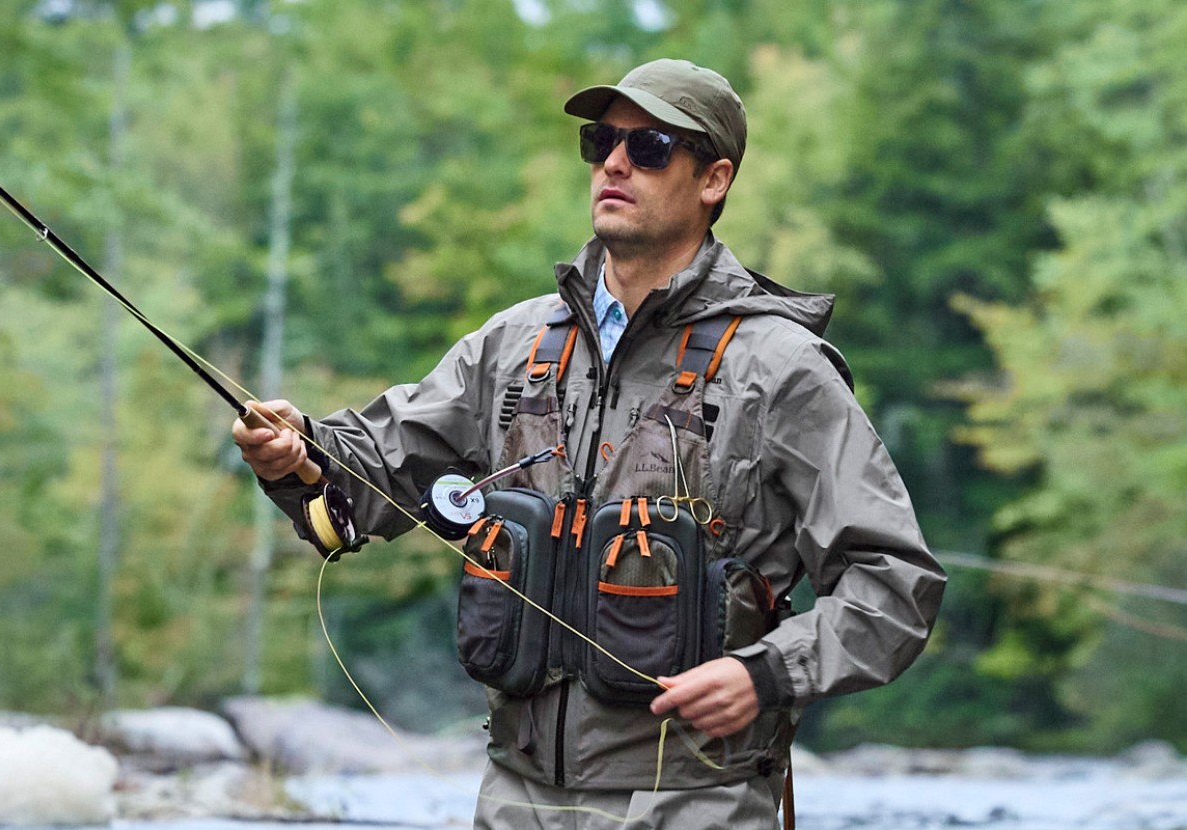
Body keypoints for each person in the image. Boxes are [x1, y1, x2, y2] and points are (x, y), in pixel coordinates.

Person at [232, 58, 945, 829]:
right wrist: (300, 451)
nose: (614, 161)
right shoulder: (514, 344)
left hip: (697, 801)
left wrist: (767, 673)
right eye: (603, 139)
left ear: (714, 180)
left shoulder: (778, 369)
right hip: (516, 795)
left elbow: (894, 583)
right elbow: (372, 471)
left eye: (650, 147)